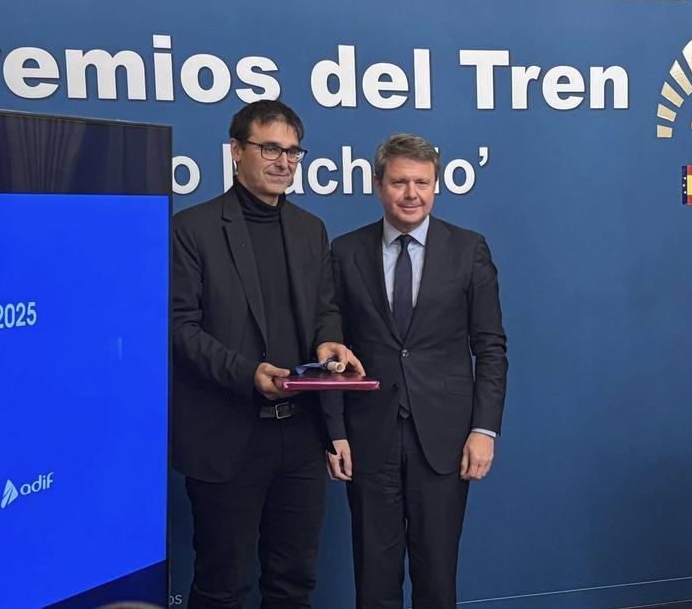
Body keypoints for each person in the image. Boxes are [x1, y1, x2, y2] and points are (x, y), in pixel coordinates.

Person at [171, 99, 363, 608]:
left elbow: (326, 313)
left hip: (299, 436)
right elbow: (179, 330)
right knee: (222, 586)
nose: (284, 162)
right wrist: (247, 373)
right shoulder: (192, 229)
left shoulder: (310, 230)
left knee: (293, 583)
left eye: (293, 152)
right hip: (227, 435)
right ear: (237, 151)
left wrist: (328, 343)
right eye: (270, 148)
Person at [323, 133, 508, 609]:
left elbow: (490, 347)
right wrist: (334, 431)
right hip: (369, 436)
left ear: (436, 185)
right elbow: (330, 352)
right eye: (400, 182)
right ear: (378, 185)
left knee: (437, 576)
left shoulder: (469, 250)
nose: (412, 194)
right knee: (374, 576)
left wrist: (484, 429)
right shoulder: (345, 253)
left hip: (445, 439)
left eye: (422, 182)